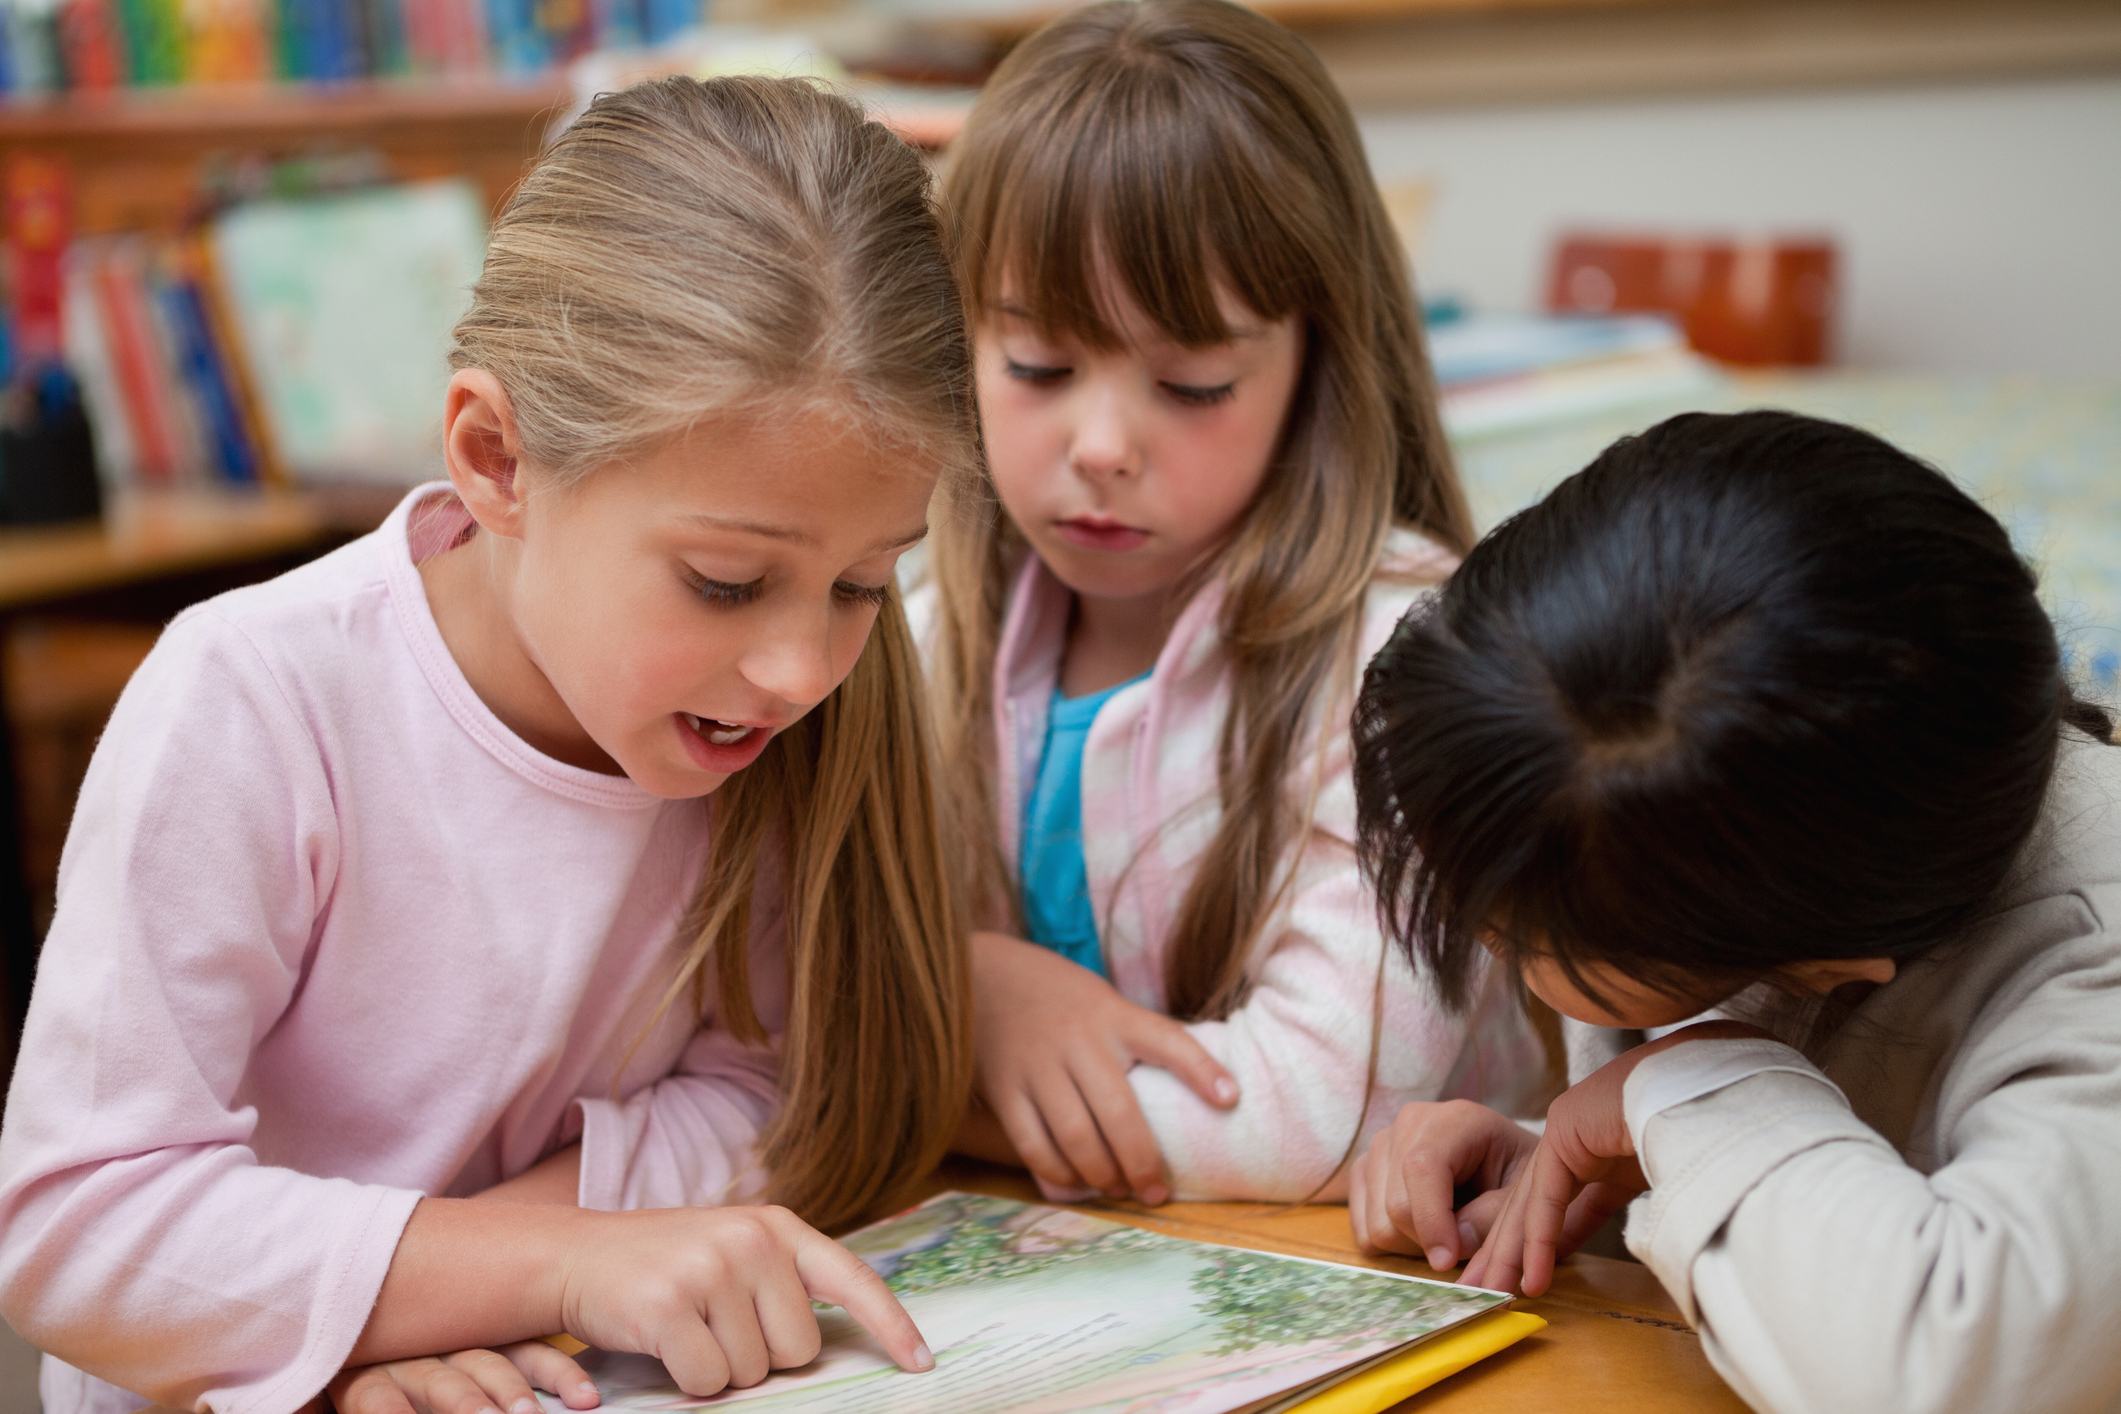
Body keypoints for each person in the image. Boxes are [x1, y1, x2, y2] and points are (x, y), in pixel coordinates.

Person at [0, 76, 976, 1414]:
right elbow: (74, 1229)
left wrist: (497, 1281)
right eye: (723, 582)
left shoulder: (764, 717)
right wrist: (541, 1266)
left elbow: (780, 1090)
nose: (803, 668)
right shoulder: (255, 696)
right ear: (496, 457)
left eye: (864, 585)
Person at [1346, 409, 2121, 1414]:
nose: (1482, 925)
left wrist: (1686, 1087)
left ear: (1828, 965)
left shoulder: (2087, 951)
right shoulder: (1717, 842)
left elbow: (1963, 1370)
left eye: (1514, 932)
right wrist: (1576, 1153)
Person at [922, 0, 1547, 1209]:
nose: (1102, 444)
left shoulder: (1407, 657)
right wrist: (972, 983)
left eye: (1194, 382)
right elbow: (760, 998)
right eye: (1038, 367)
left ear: (1318, 364)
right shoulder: (906, 617)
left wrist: (928, 1070)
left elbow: (1312, 1122)